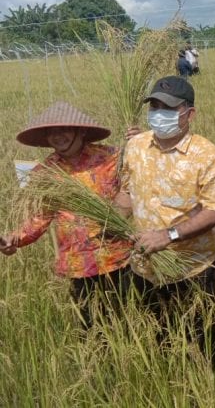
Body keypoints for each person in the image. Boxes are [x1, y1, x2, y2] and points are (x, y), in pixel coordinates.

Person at [113, 76, 215, 347]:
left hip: (192, 269)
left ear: (190, 114)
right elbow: (127, 193)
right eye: (154, 107)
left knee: (200, 345)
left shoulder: (207, 155)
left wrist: (169, 235)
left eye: (168, 108)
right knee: (156, 342)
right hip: (145, 267)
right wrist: (115, 221)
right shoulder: (136, 146)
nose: (158, 114)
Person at [0, 101, 133, 328]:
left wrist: (138, 143)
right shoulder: (46, 171)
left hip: (117, 259)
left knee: (128, 323)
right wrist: (16, 238)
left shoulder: (112, 157)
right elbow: (41, 216)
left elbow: (136, 188)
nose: (57, 136)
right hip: (77, 265)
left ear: (81, 131)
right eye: (51, 132)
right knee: (92, 329)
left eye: (64, 129)